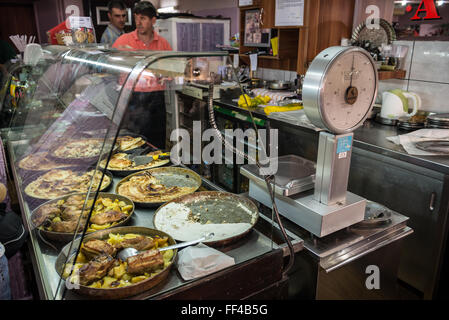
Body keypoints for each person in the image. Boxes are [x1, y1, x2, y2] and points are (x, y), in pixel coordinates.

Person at [112, 1, 172, 149]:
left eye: (143, 18)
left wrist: (166, 75)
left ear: (153, 20)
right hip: (133, 98)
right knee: (133, 142)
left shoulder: (163, 43)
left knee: (157, 141)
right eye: (137, 18)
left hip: (157, 98)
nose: (138, 22)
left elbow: (172, 70)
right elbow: (111, 65)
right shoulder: (123, 40)